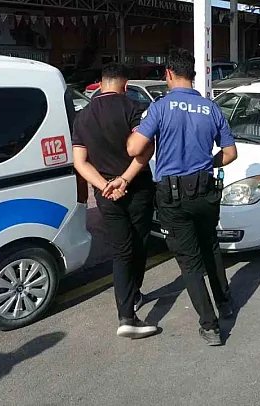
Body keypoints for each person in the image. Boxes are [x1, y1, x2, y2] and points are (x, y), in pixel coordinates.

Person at [125, 48, 238, 346]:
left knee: (189, 262)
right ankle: (225, 303)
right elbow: (230, 154)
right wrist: (208, 164)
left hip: (173, 196)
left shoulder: (160, 108)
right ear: (193, 75)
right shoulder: (211, 108)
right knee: (210, 246)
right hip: (205, 191)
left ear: (169, 74)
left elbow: (134, 149)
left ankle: (210, 326)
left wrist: (136, 132)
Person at [71, 63, 158, 339]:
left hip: (106, 195)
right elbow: (144, 149)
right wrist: (125, 180)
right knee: (139, 244)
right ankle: (133, 300)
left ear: (100, 83)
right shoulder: (134, 108)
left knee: (121, 251)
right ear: (125, 84)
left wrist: (106, 186)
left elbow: (80, 162)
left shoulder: (83, 116)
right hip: (138, 188)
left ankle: (126, 314)